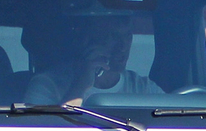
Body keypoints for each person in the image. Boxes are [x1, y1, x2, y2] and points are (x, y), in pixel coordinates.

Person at [24, 10, 163, 105]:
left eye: (127, 36)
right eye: (113, 37)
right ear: (88, 41)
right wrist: (80, 86)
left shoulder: (145, 89)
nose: (122, 46)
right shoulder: (47, 85)